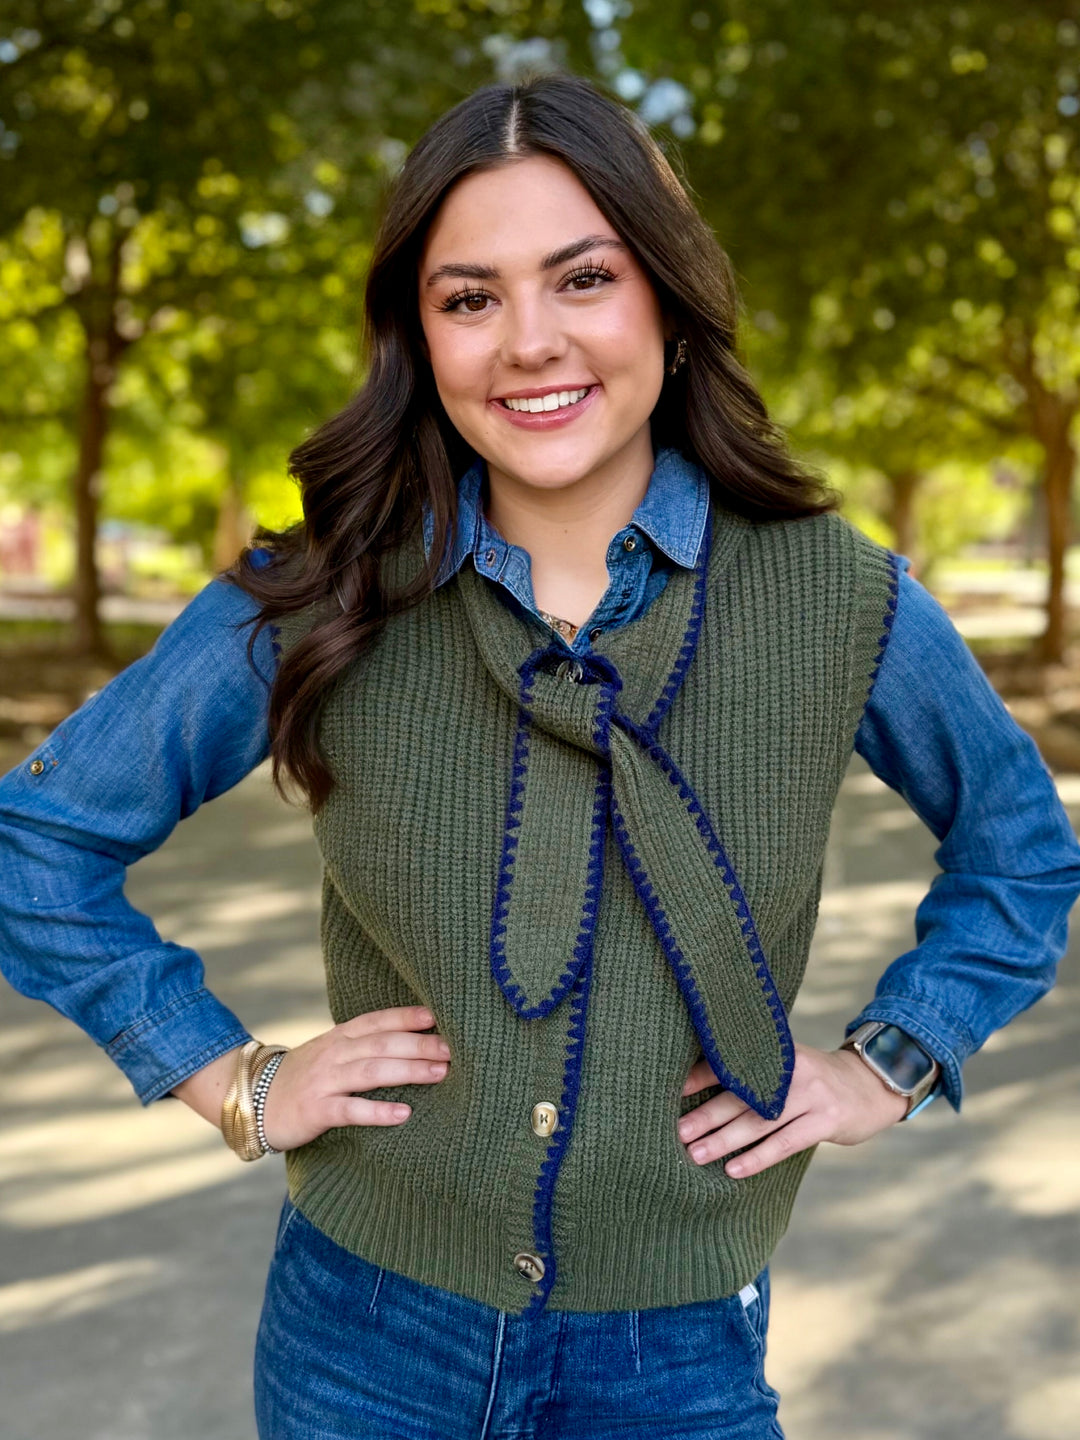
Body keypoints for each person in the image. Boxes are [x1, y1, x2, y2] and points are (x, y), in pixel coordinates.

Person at [2, 72, 1079, 1440]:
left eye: (583, 278)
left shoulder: (840, 597)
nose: (529, 342)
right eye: (469, 297)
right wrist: (235, 1081)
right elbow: (35, 840)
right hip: (362, 1341)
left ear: (669, 306)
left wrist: (891, 1061)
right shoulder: (317, 592)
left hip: (678, 1357)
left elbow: (1021, 850)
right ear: (420, 336)